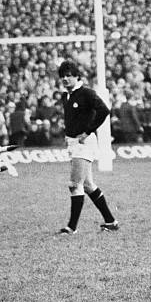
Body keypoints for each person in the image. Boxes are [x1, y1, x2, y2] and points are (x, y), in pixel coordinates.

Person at [57, 60, 119, 234]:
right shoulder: (66, 96)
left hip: (84, 144)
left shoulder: (86, 93)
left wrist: (88, 131)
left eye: (69, 75)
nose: (65, 79)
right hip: (73, 143)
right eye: (62, 76)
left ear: (77, 76)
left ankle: (71, 227)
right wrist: (68, 135)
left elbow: (104, 110)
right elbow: (72, 119)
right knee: (88, 185)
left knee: (74, 184)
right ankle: (111, 221)